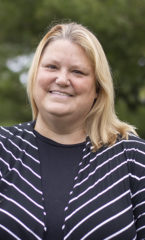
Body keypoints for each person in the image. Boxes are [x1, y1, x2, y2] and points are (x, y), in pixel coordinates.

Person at [0, 22, 145, 240]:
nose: (62, 80)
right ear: (35, 74)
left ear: (97, 88)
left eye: (77, 71)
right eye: (51, 67)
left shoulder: (134, 158)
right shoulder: (3, 148)